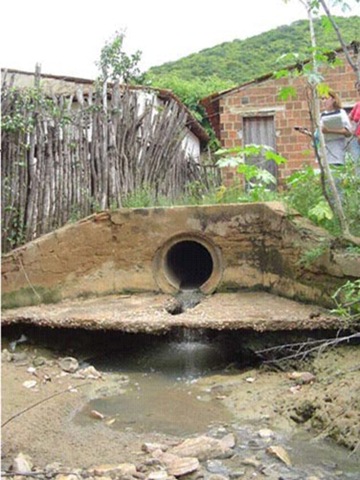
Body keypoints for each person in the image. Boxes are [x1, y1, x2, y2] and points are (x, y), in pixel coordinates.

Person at [348, 81, 360, 168]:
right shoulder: (357, 105)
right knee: (357, 165)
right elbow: (348, 118)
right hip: (356, 141)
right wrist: (351, 128)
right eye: (358, 90)